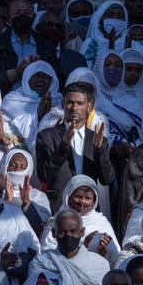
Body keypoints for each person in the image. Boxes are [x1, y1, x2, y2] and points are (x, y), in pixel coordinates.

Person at [35, 82, 114, 212]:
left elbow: (107, 179)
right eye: (70, 102)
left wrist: (99, 151)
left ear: (90, 106)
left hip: (88, 209)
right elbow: (44, 175)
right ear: (62, 104)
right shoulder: (46, 137)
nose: (74, 108)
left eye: (80, 103)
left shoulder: (98, 139)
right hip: (59, 208)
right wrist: (64, 146)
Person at [28, 208, 110, 285]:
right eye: (62, 232)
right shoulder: (41, 263)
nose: (68, 236)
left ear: (82, 232)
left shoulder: (100, 264)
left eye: (73, 231)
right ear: (53, 233)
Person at [0, 0, 60, 94]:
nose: (22, 16)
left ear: (33, 17)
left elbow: (56, 77)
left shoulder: (45, 45)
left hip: (37, 103)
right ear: (9, 18)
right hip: (5, 103)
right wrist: (16, 73)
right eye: (17, 13)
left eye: (26, 13)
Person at [41, 175, 120, 260]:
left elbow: (116, 255)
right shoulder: (55, 222)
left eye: (88, 198)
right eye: (78, 196)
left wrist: (103, 252)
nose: (82, 201)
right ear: (68, 197)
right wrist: (84, 247)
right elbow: (47, 254)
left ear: (94, 202)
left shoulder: (101, 222)